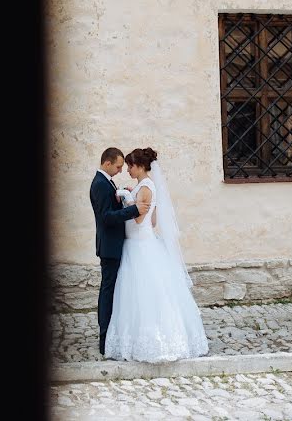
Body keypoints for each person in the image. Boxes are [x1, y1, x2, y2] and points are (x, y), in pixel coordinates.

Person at [103, 147, 209, 362]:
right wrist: (131, 196)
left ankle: (154, 341)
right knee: (136, 293)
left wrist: (125, 198)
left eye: (130, 166)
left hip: (140, 246)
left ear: (140, 166)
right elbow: (152, 221)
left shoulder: (146, 187)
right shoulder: (144, 186)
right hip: (138, 243)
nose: (128, 170)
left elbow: (140, 220)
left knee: (145, 293)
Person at [89, 147, 150, 356]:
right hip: (109, 247)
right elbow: (106, 217)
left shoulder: (106, 182)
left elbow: (111, 210)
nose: (120, 170)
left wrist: (124, 197)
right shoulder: (99, 184)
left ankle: (113, 335)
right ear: (107, 163)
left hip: (114, 244)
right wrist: (133, 209)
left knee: (113, 290)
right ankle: (105, 338)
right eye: (117, 166)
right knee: (108, 291)